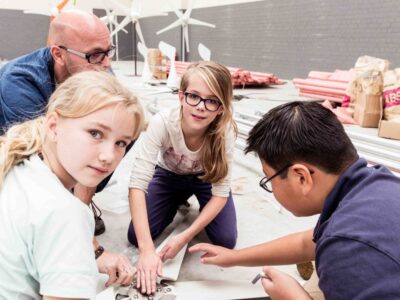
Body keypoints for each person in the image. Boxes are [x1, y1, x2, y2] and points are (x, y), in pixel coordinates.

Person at [189, 101, 400, 299]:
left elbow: (337, 242)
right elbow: (306, 243)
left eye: (268, 178)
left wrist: (293, 296)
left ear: (301, 177)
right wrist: (234, 258)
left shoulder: (346, 249)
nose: (270, 186)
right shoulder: (377, 182)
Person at [0, 71, 144, 299]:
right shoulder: (65, 214)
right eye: (95, 133)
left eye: (121, 143)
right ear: (54, 126)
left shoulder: (18, 164)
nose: (109, 156)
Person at [0, 9, 126, 235]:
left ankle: (78, 201)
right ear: (58, 54)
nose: (106, 63)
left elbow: (117, 118)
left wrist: (81, 206)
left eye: (108, 52)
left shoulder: (97, 66)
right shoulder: (19, 81)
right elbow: (40, 155)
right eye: (96, 54)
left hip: (58, 141)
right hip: (18, 155)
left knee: (122, 131)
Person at [128, 61, 238, 294]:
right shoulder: (163, 123)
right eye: (194, 96)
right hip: (169, 175)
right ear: (181, 96)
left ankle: (189, 200)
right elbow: (137, 184)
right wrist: (147, 251)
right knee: (135, 236)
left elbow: (220, 194)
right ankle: (175, 199)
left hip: (205, 178)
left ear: (221, 107)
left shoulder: (224, 132)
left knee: (226, 240)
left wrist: (183, 237)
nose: (200, 107)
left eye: (212, 100)